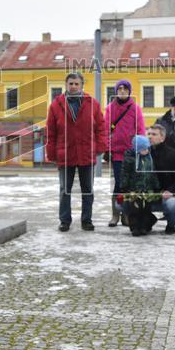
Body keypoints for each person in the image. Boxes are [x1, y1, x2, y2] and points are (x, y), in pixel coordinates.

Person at [45, 72, 108, 232]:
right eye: (70, 83)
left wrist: (100, 147)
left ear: (82, 85)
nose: (73, 86)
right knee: (64, 190)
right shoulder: (55, 105)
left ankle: (87, 220)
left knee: (88, 189)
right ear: (66, 85)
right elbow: (51, 132)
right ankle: (64, 220)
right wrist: (51, 153)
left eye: (76, 84)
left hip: (86, 153)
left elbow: (101, 128)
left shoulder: (92, 104)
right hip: (65, 154)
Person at [121, 126, 175, 235]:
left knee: (172, 204)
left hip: (164, 193)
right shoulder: (139, 155)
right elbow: (126, 173)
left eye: (154, 134)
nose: (150, 137)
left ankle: (171, 225)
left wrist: (170, 190)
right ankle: (143, 224)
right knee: (126, 203)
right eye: (148, 134)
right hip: (144, 192)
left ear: (162, 138)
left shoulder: (174, 155)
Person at [105, 79, 146, 227]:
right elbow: (106, 130)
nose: (122, 91)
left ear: (129, 91)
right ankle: (115, 214)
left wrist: (141, 148)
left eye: (125, 88)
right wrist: (108, 149)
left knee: (130, 185)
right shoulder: (110, 108)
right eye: (119, 88)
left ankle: (127, 215)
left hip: (131, 153)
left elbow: (141, 129)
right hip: (116, 154)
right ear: (116, 91)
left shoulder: (135, 108)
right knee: (118, 184)